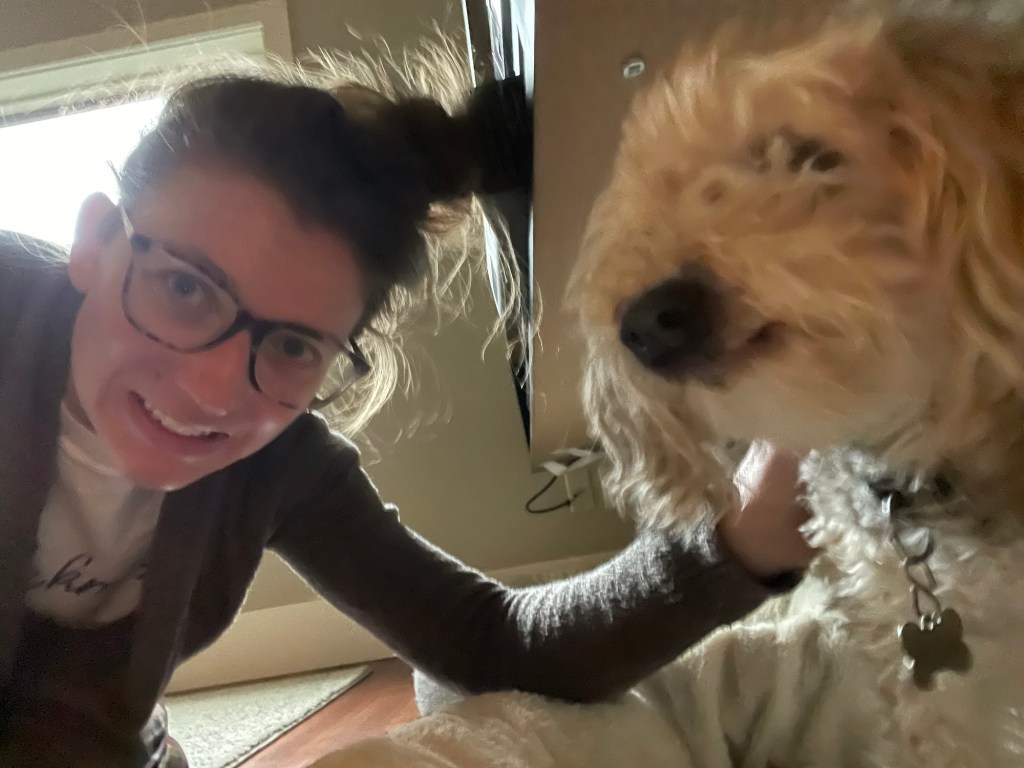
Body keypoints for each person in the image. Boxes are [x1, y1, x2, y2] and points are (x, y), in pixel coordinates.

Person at [0, 48, 814, 768]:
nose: (214, 390)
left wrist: (740, 535)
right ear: (95, 241)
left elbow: (493, 641)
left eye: (292, 346)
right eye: (184, 288)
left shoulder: (279, 465)